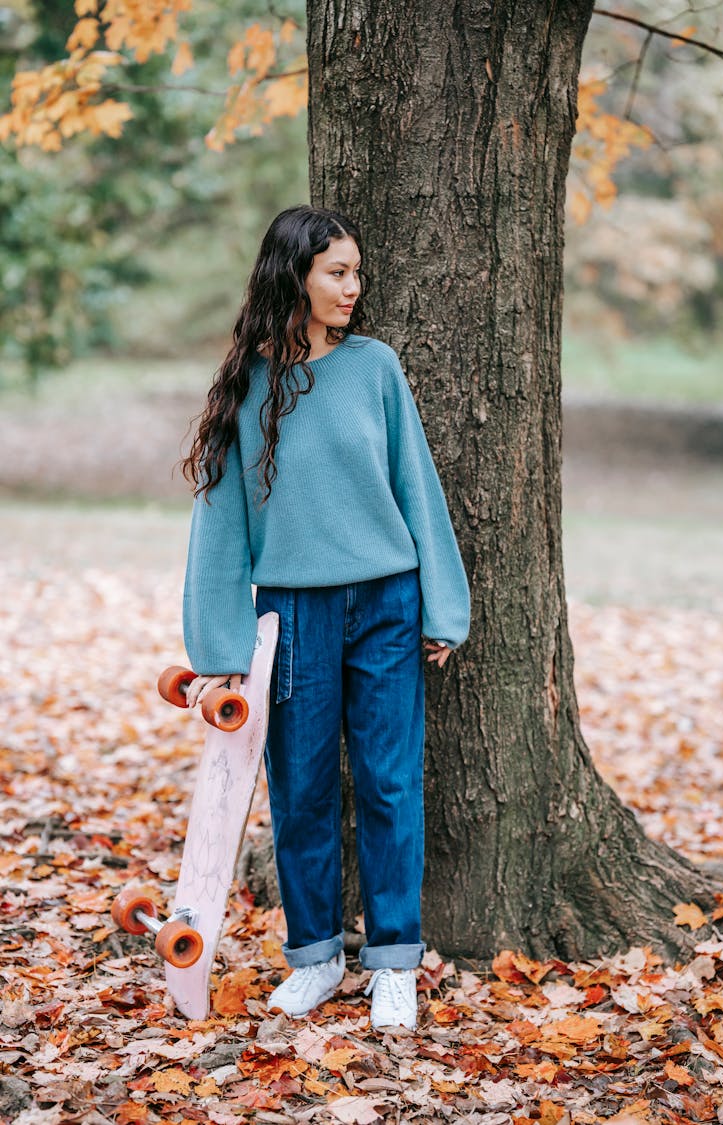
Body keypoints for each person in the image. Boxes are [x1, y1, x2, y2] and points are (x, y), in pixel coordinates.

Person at [179, 204, 470, 1032]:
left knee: (387, 782)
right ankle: (314, 958)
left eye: (355, 271)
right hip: (291, 618)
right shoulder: (248, 386)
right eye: (336, 271)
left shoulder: (376, 368)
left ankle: (393, 964)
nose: (353, 286)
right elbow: (221, 524)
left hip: (387, 604)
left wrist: (444, 606)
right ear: (294, 277)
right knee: (301, 790)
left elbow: (418, 487)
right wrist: (220, 648)